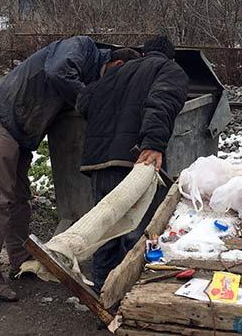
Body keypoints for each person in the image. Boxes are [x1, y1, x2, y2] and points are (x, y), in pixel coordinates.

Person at [0, 36, 140, 301]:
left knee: (19, 198)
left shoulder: (91, 67)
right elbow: (57, 71)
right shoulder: (82, 47)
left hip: (23, 126)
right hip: (7, 115)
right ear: (116, 63)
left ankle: (19, 257)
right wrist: (88, 100)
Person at [76, 35, 189, 292]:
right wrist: (154, 143)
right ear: (169, 56)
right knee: (135, 238)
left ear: (143, 53)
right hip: (133, 165)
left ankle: (102, 298)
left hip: (98, 166)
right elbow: (162, 102)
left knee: (105, 235)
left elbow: (83, 102)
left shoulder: (116, 71)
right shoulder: (168, 69)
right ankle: (130, 301)